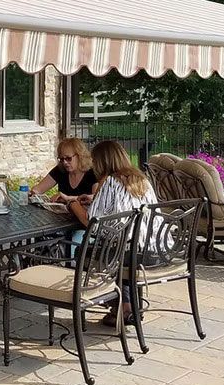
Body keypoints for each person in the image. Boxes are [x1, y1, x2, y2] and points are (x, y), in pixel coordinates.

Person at [66, 139, 158, 327]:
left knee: (86, 252)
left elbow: (90, 222)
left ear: (101, 162)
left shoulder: (109, 181)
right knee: (119, 246)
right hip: (153, 251)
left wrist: (72, 203)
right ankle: (127, 305)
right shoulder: (141, 179)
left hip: (129, 255)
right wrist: (94, 198)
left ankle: (118, 305)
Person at [29, 137, 97, 205]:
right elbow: (38, 189)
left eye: (68, 158)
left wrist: (67, 198)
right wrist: (33, 192)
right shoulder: (60, 169)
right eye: (61, 159)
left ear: (80, 156)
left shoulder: (92, 173)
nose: (65, 162)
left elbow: (95, 198)